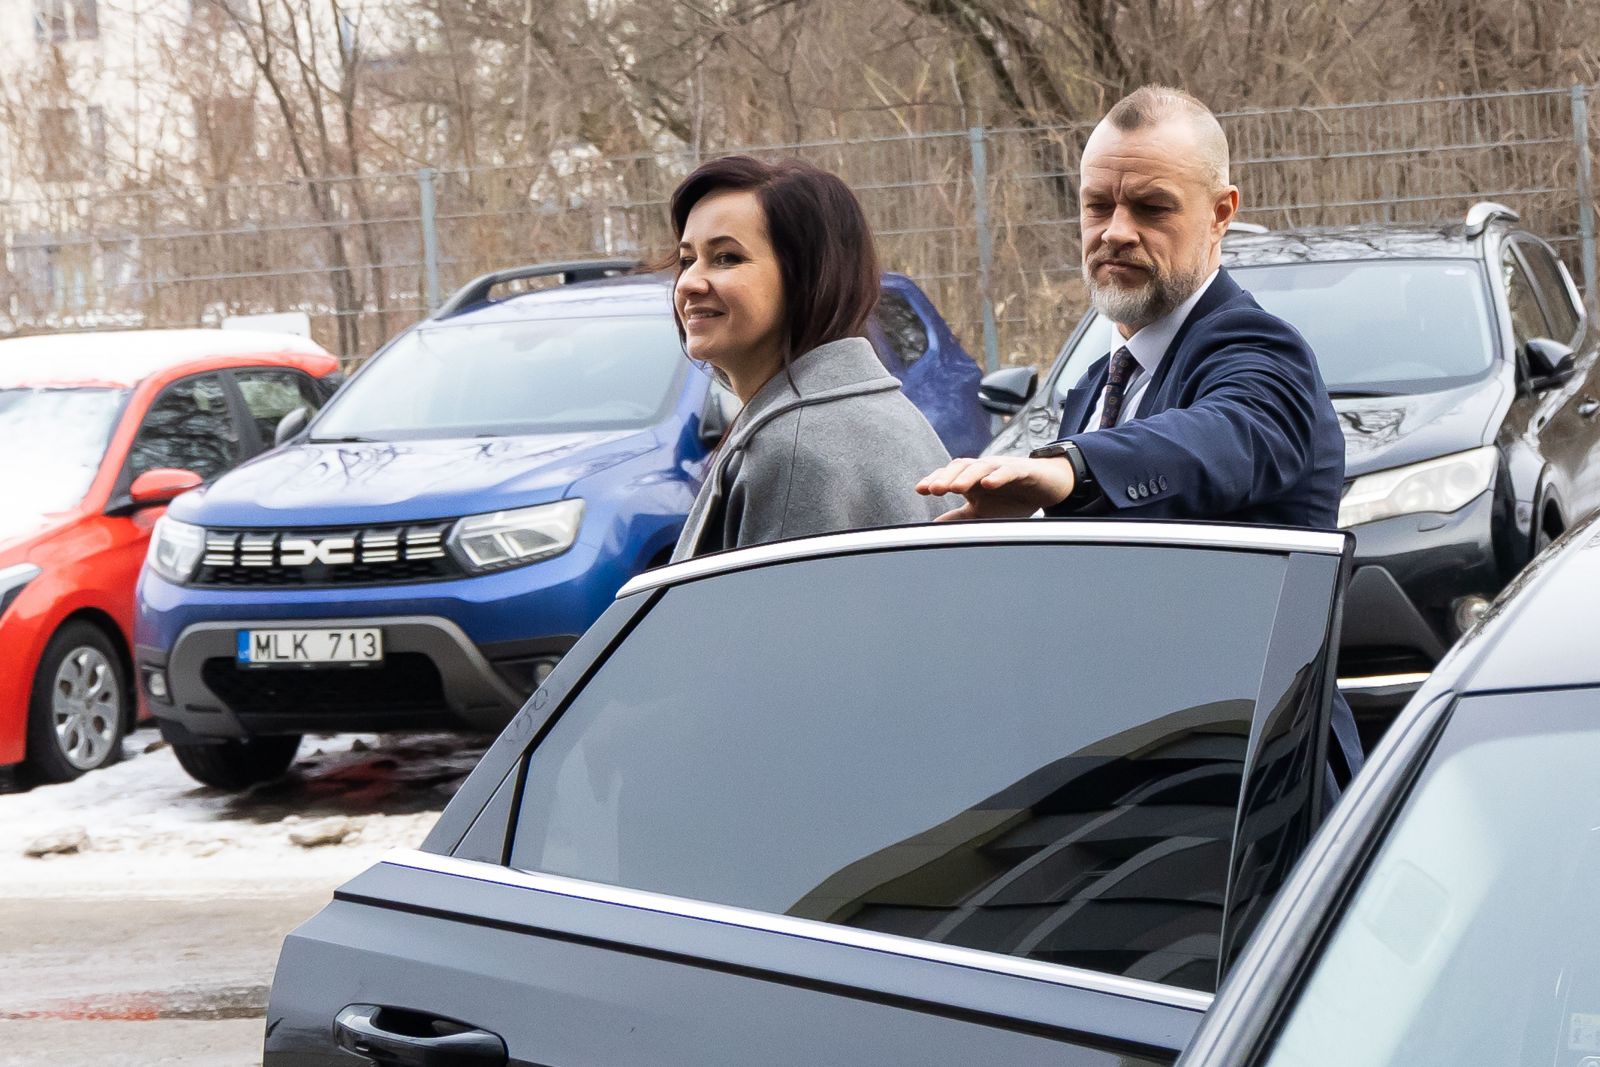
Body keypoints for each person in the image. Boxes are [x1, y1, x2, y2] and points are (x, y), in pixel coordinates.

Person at [916, 85, 1363, 788]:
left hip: (1254, 782)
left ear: (1220, 214)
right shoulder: (1096, 384)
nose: (1115, 231)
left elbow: (1228, 434)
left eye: (1151, 208)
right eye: (1098, 205)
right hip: (1130, 777)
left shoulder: (1259, 350)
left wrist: (1070, 470)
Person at [669, 155, 952, 562]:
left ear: (808, 276)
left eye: (727, 257)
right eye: (686, 260)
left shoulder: (794, 450)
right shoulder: (873, 412)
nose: (689, 283)